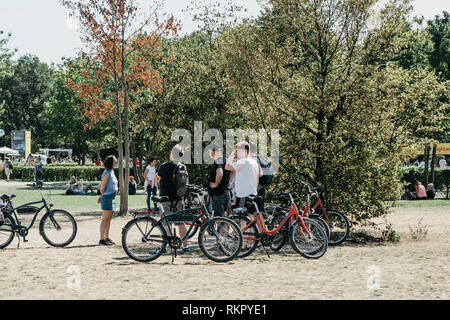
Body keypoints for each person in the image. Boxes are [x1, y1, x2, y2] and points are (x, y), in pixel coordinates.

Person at [155, 145, 190, 254]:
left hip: (166, 198)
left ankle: (166, 247)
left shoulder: (164, 166)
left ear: (171, 154)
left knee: (167, 223)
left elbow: (158, 179)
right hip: (179, 198)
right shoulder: (182, 167)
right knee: (181, 223)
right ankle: (185, 247)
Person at [225, 141, 263, 212]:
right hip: (252, 193)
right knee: (255, 215)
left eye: (238, 151)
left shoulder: (243, 161)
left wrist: (232, 152)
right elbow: (259, 176)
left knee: (242, 218)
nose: (236, 153)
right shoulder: (254, 162)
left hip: (243, 195)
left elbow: (227, 166)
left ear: (244, 151)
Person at [98, 155, 118, 246]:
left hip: (112, 197)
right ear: (111, 163)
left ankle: (107, 237)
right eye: (115, 161)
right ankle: (102, 239)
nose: (116, 163)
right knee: (105, 219)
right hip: (107, 197)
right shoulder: (107, 173)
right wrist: (102, 197)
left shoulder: (112, 172)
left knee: (109, 219)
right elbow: (102, 188)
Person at [208, 144, 231, 217]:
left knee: (219, 217)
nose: (210, 155)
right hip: (226, 192)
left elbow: (220, 172)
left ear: (214, 152)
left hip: (218, 194)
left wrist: (215, 184)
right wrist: (229, 181)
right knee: (225, 216)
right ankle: (224, 228)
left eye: (210, 152)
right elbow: (234, 171)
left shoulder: (218, 160)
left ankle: (219, 229)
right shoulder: (226, 160)